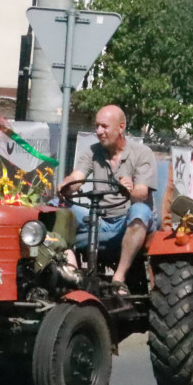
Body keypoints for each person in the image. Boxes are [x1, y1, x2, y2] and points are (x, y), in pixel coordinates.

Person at [60, 105, 157, 295]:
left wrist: (130, 189)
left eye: (104, 127)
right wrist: (66, 184)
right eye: (96, 126)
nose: (98, 132)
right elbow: (76, 178)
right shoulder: (92, 152)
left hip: (127, 220)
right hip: (100, 219)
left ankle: (119, 278)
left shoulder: (142, 153)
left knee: (140, 211)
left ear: (121, 127)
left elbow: (142, 193)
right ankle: (70, 268)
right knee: (61, 210)